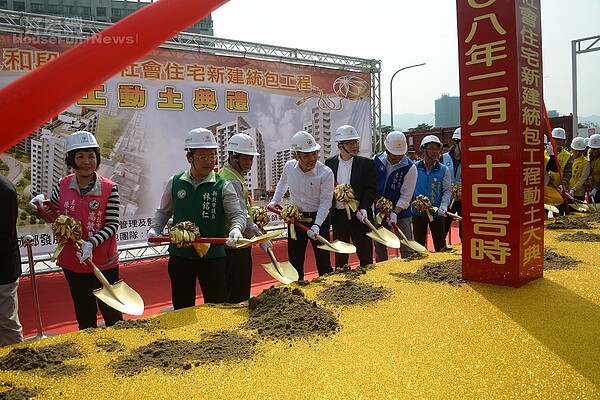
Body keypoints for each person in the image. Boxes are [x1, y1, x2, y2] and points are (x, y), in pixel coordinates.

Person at [30, 130, 122, 330]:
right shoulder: (62, 185)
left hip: (103, 263)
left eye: (91, 156)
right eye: (80, 156)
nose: (86, 161)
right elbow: (53, 212)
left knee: (112, 312)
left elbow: (113, 224)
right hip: (73, 263)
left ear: (97, 158)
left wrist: (91, 243)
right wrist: (40, 205)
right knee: (84, 312)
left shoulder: (109, 188)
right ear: (71, 160)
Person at [148, 128, 246, 309]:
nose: (209, 161)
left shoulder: (223, 185)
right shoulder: (175, 182)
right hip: (181, 256)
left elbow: (237, 213)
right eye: (202, 156)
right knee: (182, 306)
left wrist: (236, 228)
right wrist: (155, 228)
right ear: (189, 157)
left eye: (212, 155)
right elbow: (163, 211)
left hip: (213, 258)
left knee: (217, 306)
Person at [268, 131, 334, 280]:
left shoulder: (326, 173)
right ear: (295, 155)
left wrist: (316, 225)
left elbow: (326, 201)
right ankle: (297, 292)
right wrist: (275, 200)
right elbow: (283, 182)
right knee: (295, 260)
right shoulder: (289, 167)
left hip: (319, 218)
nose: (312, 159)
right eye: (306, 155)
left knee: (323, 260)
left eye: (314, 154)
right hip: (296, 220)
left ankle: (328, 291)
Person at [218, 133, 271, 303]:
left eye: (251, 159)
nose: (249, 164)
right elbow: (242, 214)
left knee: (228, 288)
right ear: (232, 157)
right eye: (245, 159)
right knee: (237, 290)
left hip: (229, 241)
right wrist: (259, 237)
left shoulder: (227, 173)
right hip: (236, 243)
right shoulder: (232, 180)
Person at [325, 125, 376, 268]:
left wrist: (365, 208)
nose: (354, 146)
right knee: (340, 257)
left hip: (359, 215)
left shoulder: (366, 164)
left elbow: (370, 189)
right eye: (349, 143)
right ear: (339, 145)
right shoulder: (330, 164)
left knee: (365, 254)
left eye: (355, 142)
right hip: (338, 216)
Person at [373, 130, 417, 260]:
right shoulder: (375, 161)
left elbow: (406, 195)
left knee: (406, 245)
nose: (397, 158)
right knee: (380, 244)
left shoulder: (410, 167)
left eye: (400, 155)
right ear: (386, 150)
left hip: (401, 212)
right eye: (394, 156)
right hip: (379, 210)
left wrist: (395, 213)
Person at [411, 134, 452, 252]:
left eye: (437, 149)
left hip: (437, 213)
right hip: (418, 213)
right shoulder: (414, 168)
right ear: (424, 149)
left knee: (440, 245)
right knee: (418, 247)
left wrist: (444, 206)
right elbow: (409, 188)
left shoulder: (444, 169)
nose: (435, 152)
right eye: (431, 148)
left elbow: (447, 190)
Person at [0, 174, 23, 346]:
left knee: (6, 323)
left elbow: (3, 239)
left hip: (3, 272)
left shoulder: (4, 190)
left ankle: (15, 368)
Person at [443, 127, 463, 242]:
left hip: (463, 200)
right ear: (456, 142)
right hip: (447, 200)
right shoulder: (444, 158)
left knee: (464, 232)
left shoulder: (470, 159)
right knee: (443, 230)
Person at [567, 136, 590, 201]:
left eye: (580, 151)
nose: (577, 153)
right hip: (566, 190)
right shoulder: (568, 158)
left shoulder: (585, 163)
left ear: (584, 150)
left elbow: (582, 179)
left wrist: (574, 189)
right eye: (576, 150)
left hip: (578, 193)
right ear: (572, 149)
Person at [586, 133, 600, 204]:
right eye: (593, 149)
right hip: (591, 186)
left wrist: (596, 188)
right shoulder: (589, 153)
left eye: (597, 149)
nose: (595, 151)